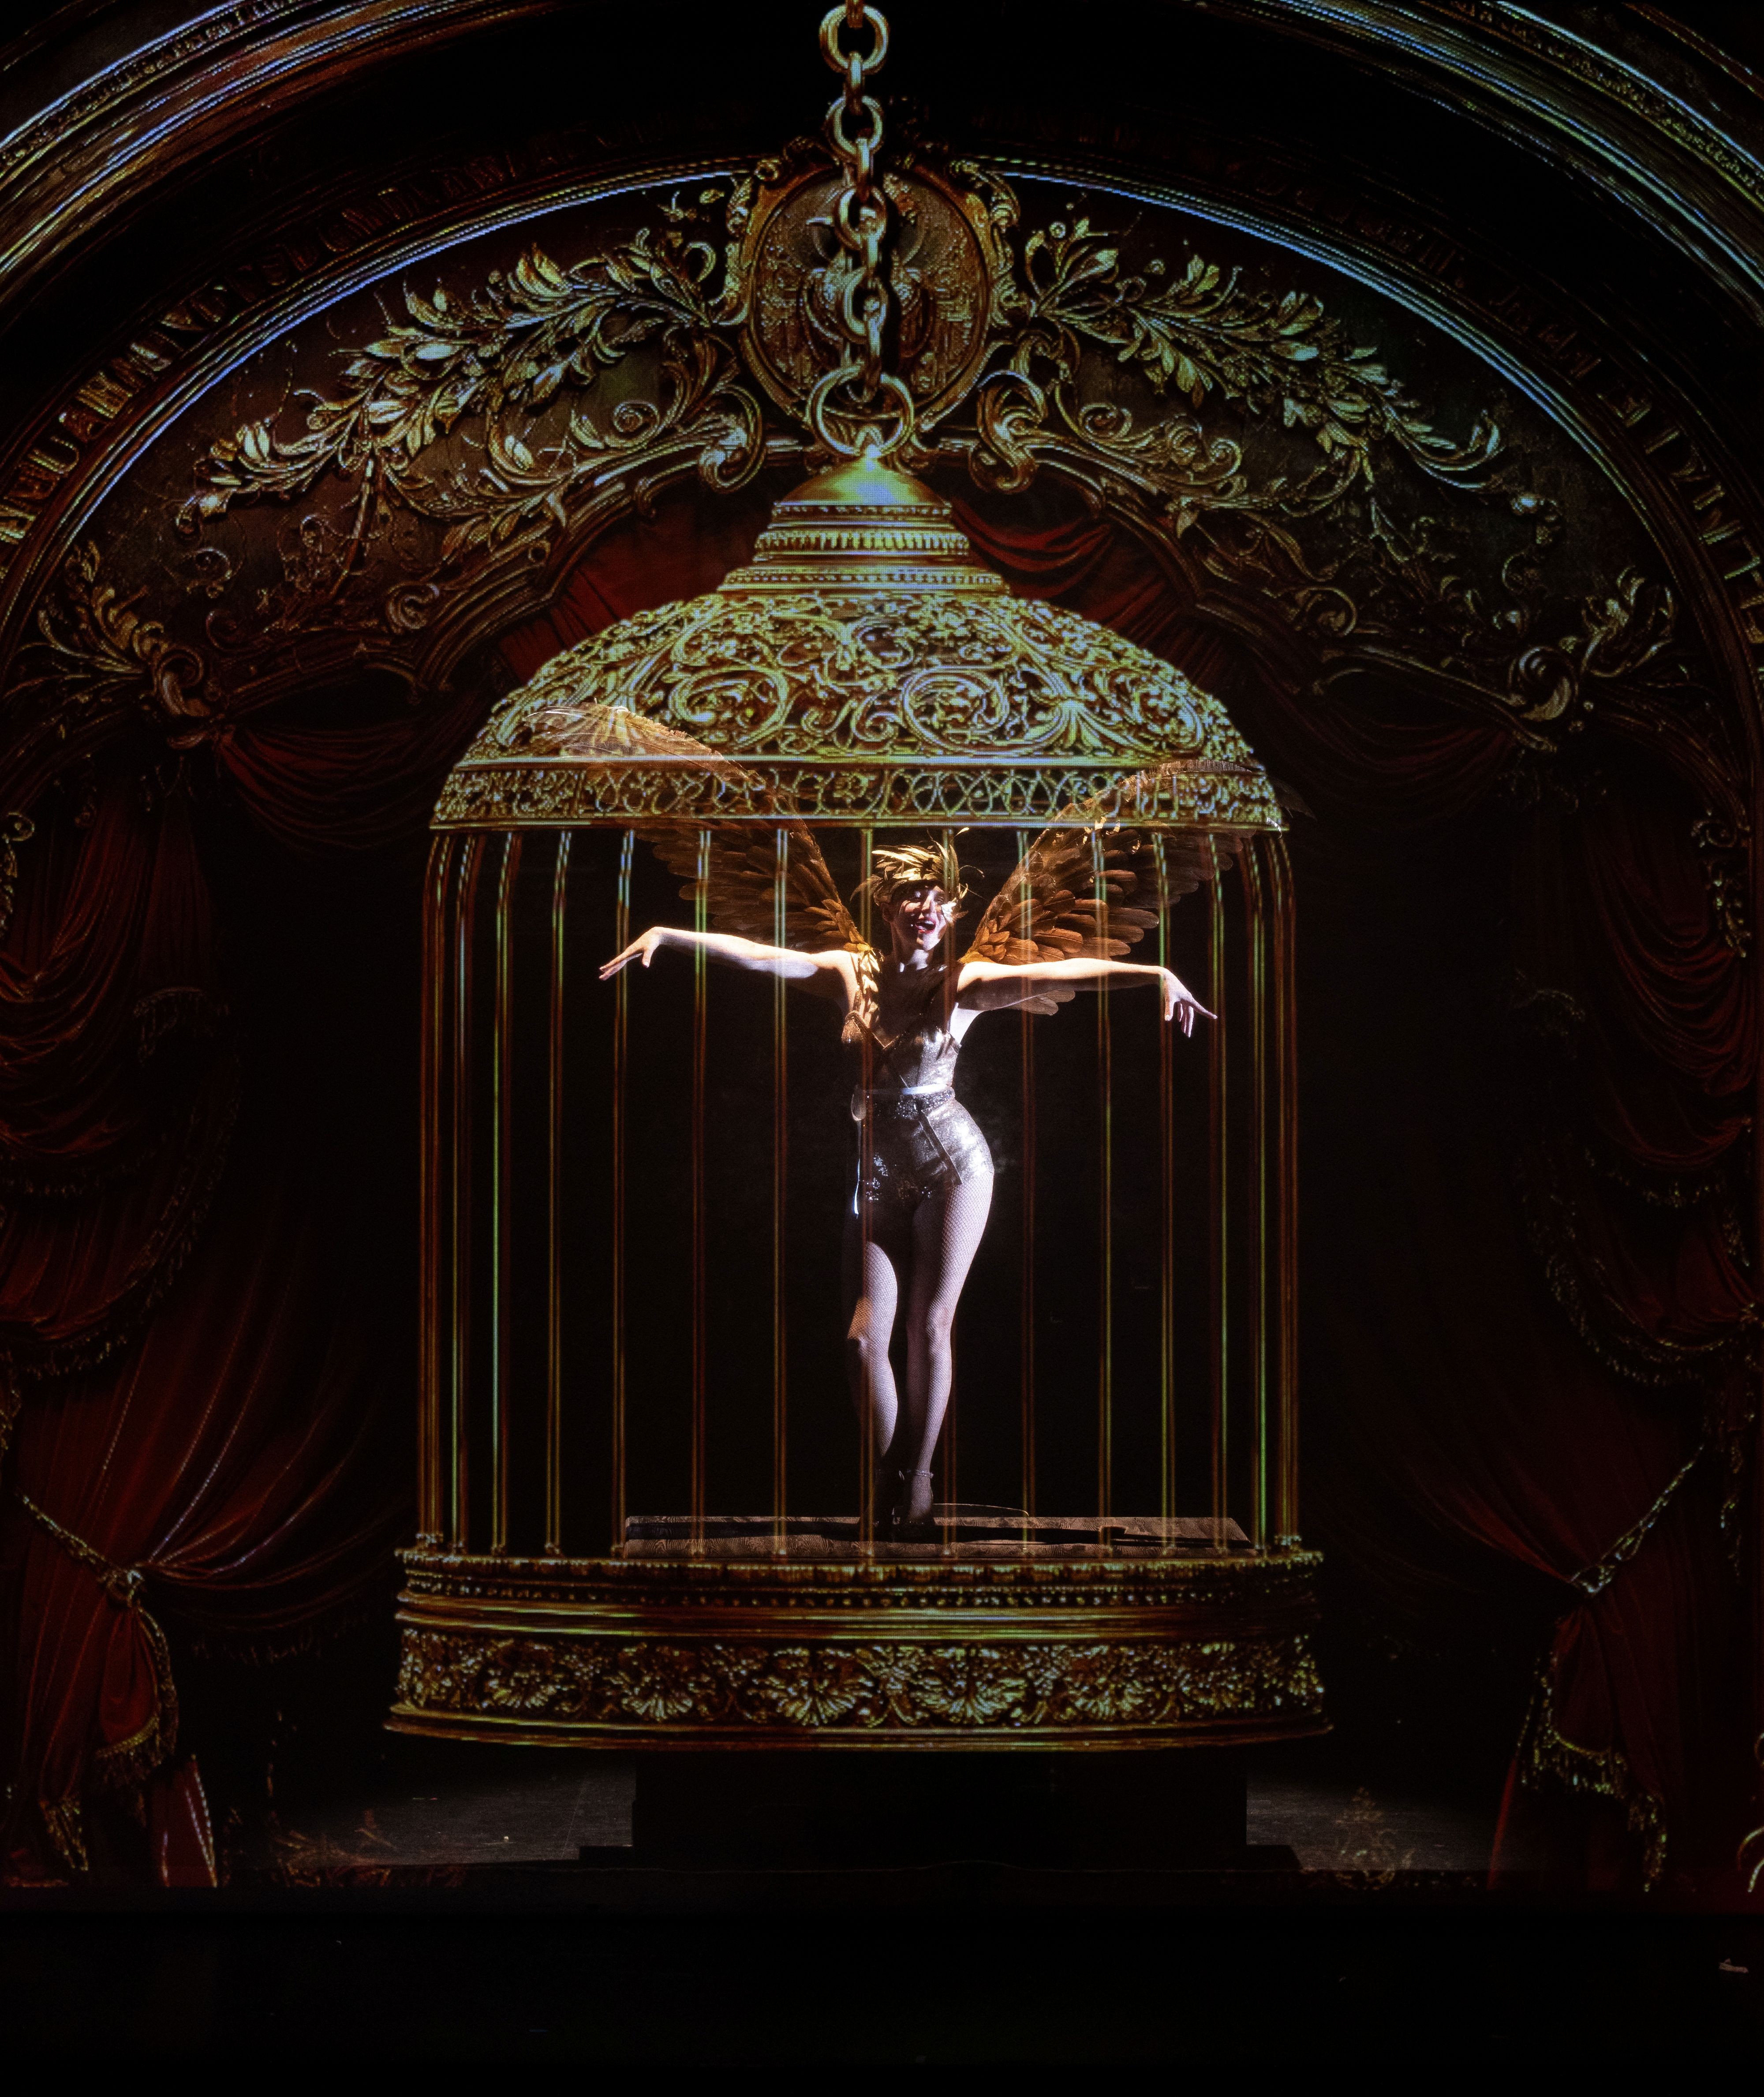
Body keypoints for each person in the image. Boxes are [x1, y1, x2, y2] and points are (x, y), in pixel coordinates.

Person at [601, 833, 1211, 1531]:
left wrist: (1154, 974)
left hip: (954, 1167)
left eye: (940, 900)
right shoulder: (849, 971)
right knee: (863, 1340)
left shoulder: (964, 983)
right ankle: (886, 1478)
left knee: (930, 1325)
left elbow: (1062, 969)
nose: (928, 909)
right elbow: (766, 956)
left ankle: (915, 1483)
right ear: (889, 907)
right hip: (878, 1172)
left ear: (951, 914)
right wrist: (670, 935)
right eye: (915, 897)